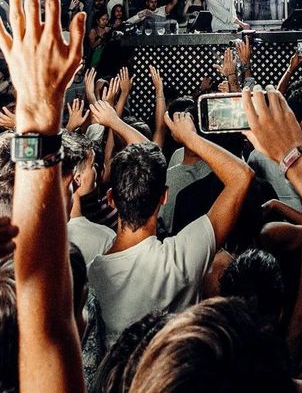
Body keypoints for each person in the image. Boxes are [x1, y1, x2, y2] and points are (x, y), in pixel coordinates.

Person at [87, 109, 253, 346]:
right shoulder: (180, 257)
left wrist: (114, 122)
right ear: (164, 196)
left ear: (111, 199)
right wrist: (191, 138)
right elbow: (241, 176)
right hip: (173, 379)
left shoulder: (89, 275)